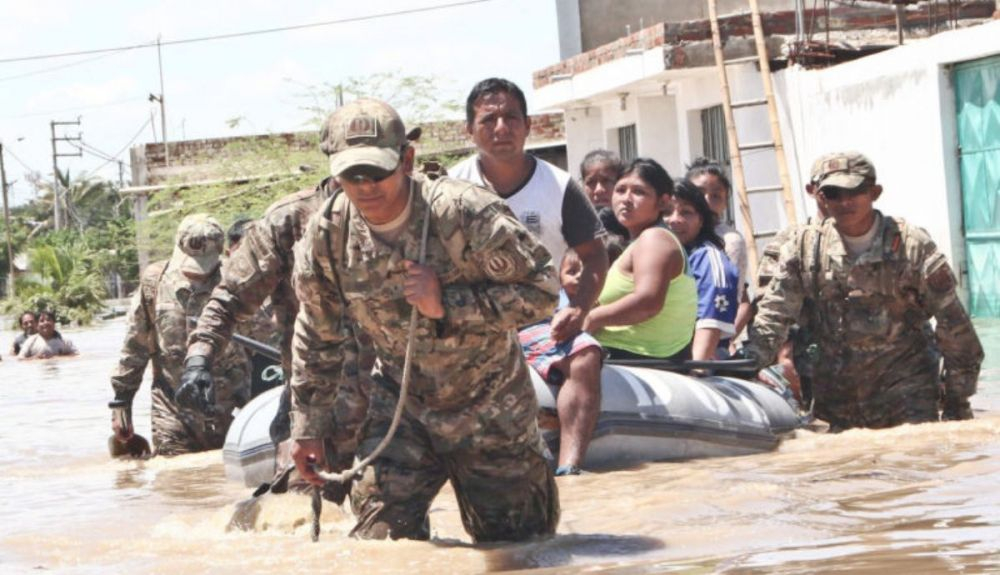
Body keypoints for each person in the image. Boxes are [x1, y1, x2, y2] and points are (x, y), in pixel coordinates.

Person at [289, 98, 560, 542]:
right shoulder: (328, 233)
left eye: (377, 172)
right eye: (352, 175)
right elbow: (316, 335)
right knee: (379, 544)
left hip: (490, 409)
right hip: (403, 408)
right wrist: (308, 428)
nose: (365, 186)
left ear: (407, 159)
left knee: (519, 551)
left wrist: (447, 303)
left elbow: (543, 292)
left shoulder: (464, 213)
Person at [743, 152, 984, 430]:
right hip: (836, 400)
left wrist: (956, 402)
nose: (844, 202)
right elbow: (774, 313)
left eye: (855, 191)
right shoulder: (805, 247)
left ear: (874, 192)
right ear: (821, 197)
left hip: (906, 394)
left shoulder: (911, 245)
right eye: (833, 193)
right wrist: (747, 363)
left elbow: (956, 329)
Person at [450, 77, 608, 475]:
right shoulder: (448, 188)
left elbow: (594, 256)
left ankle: (570, 469)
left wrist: (579, 310)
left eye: (511, 117)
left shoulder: (559, 186)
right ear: (469, 130)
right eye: (489, 120)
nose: (501, 128)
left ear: (528, 125)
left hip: (539, 317)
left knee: (586, 355)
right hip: (468, 319)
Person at [109, 214, 251, 456]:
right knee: (175, 483)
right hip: (172, 412)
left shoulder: (239, 279)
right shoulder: (154, 282)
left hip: (234, 409)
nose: (199, 275)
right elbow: (135, 347)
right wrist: (122, 407)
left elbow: (267, 341)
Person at [584, 158, 696, 361]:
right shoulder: (640, 241)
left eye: (638, 192)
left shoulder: (655, 239)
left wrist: (592, 319)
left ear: (663, 202)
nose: (626, 199)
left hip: (639, 361)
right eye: (620, 190)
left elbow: (647, 303)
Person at [664, 180, 741, 361]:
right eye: (666, 212)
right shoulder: (649, 253)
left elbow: (710, 324)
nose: (674, 219)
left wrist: (696, 370)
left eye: (686, 212)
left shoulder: (708, 259)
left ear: (701, 220)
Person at [685, 158, 750, 348]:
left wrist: (718, 341)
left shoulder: (729, 240)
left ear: (726, 200)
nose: (707, 201)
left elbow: (736, 300)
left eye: (716, 196)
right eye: (699, 193)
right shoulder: (676, 232)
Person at [580, 149, 628, 262]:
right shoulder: (575, 228)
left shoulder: (634, 225)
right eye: (591, 182)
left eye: (606, 181)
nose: (598, 190)